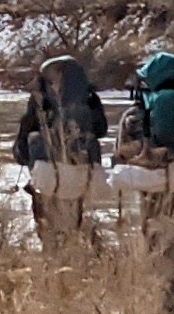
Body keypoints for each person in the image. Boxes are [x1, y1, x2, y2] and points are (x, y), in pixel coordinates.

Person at [9, 55, 106, 241]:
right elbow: (101, 130)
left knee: (48, 231)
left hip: (48, 178)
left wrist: (25, 155)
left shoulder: (40, 101)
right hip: (80, 176)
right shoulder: (90, 99)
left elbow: (23, 141)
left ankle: (52, 259)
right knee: (74, 227)